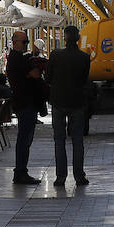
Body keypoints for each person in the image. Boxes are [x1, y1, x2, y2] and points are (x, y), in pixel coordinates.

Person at [46, 25, 92, 186]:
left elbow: (48, 78)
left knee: (59, 140)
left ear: (64, 38)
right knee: (77, 140)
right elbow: (85, 79)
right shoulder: (85, 58)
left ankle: (61, 176)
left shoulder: (55, 55)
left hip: (58, 102)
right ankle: (79, 175)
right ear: (78, 39)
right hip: (77, 102)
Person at [6, 30, 46, 184]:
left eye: (27, 42)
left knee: (25, 139)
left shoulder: (19, 58)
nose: (26, 45)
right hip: (25, 103)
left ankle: (21, 171)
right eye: (24, 42)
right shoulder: (17, 59)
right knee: (24, 139)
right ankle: (20, 172)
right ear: (15, 42)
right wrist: (31, 74)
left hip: (25, 103)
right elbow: (31, 76)